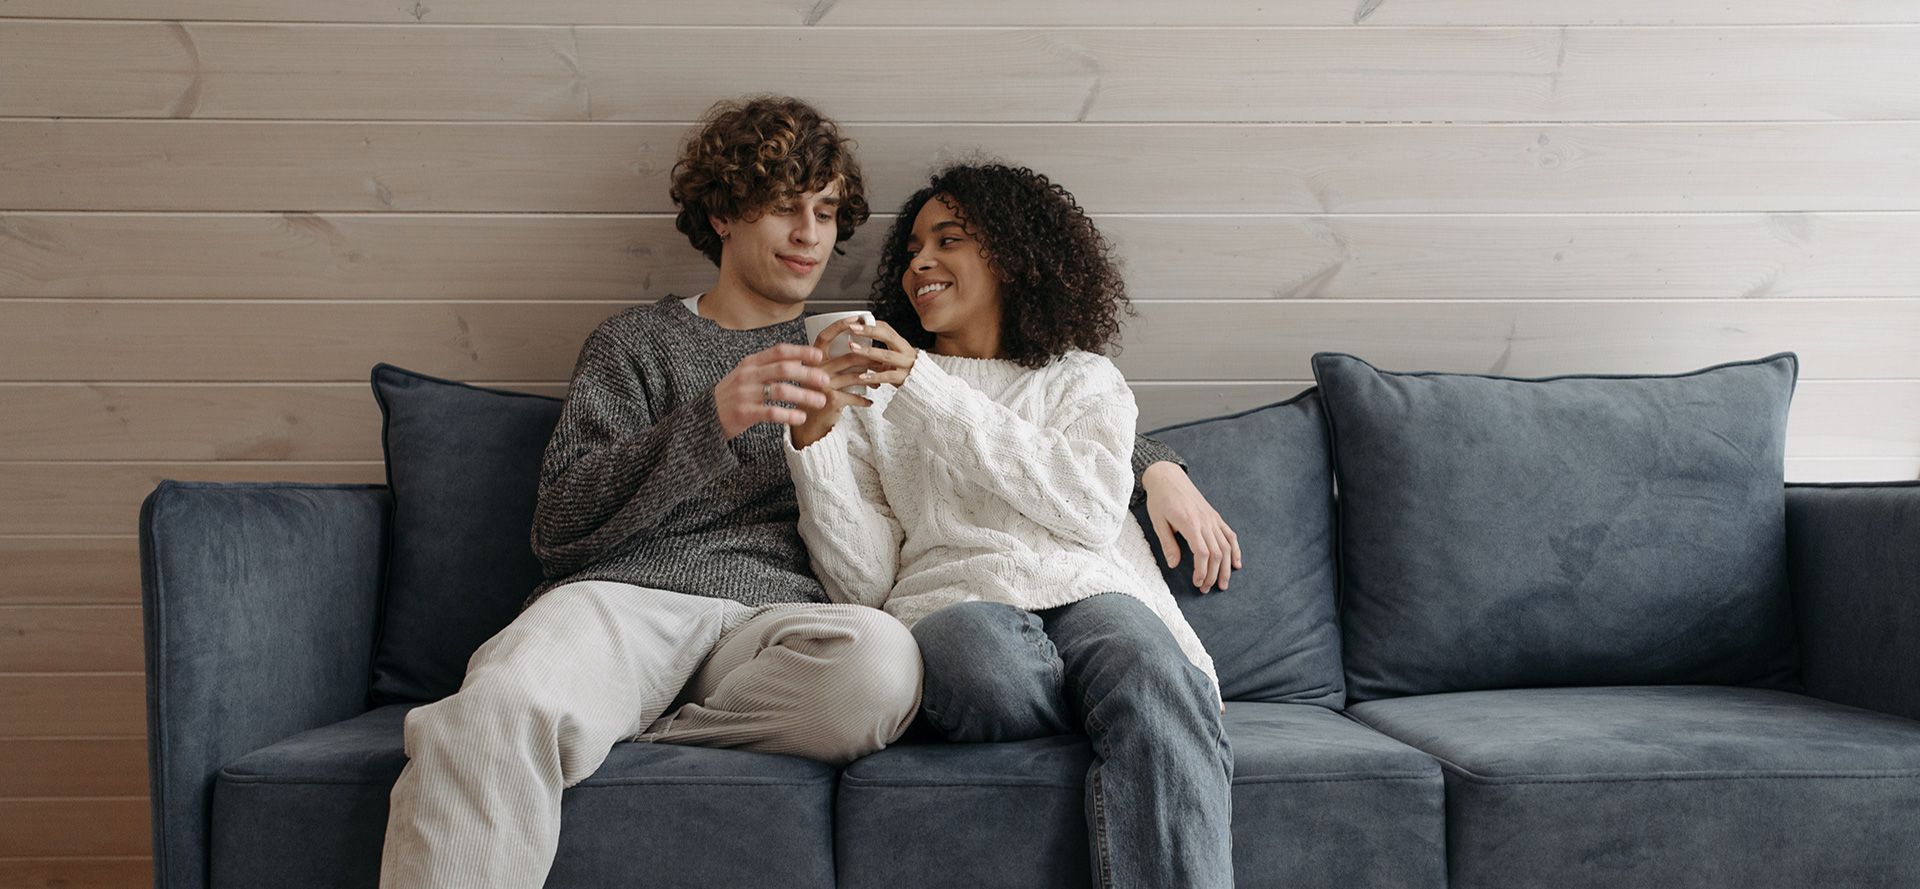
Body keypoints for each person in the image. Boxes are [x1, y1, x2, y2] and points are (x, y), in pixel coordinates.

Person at [378, 97, 1237, 889]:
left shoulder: (851, 345)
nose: (810, 234)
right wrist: (709, 420)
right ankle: (578, 709)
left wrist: (1155, 462)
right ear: (721, 214)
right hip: (624, 600)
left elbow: (1013, 393)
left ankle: (617, 723)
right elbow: (560, 525)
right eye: (785, 206)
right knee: (495, 712)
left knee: (886, 668)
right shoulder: (637, 341)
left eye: (827, 213)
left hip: (778, 627)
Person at [785, 162, 1235, 889]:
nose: (919, 264)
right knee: (976, 654)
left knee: (1147, 667)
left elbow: (1090, 508)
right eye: (912, 251)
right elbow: (863, 580)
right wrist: (816, 444)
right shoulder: (873, 400)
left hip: (1089, 590)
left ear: (1013, 256)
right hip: (953, 604)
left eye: (949, 239)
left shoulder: (1082, 377)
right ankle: (1109, 719)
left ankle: (1123, 715)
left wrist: (926, 388)